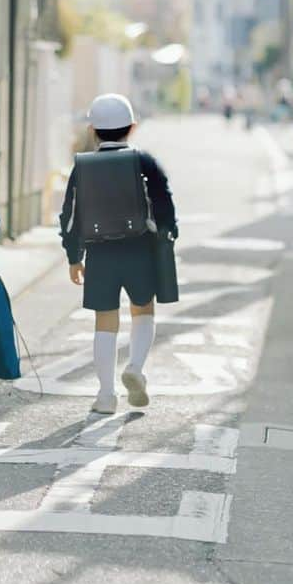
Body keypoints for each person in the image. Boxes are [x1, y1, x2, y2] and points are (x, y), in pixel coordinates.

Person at [59, 94, 177, 415]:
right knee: (143, 311)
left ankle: (106, 395)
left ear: (93, 130)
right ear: (132, 128)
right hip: (141, 249)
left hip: (100, 255)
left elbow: (69, 216)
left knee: (105, 322)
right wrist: (168, 239)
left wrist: (74, 256)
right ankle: (136, 367)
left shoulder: (83, 166)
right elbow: (165, 204)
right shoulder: (144, 161)